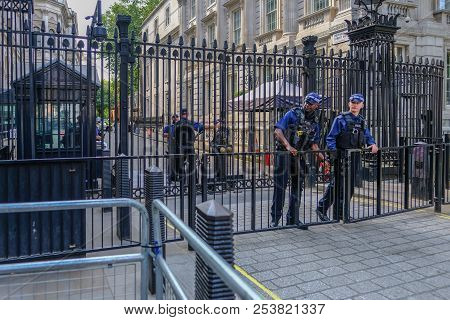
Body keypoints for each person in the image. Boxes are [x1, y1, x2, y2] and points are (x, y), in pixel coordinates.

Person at [316, 93, 379, 221]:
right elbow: (330, 137)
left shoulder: (361, 120)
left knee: (349, 186)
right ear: (349, 103)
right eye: (353, 102)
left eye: (357, 103)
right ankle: (321, 208)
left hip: (355, 155)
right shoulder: (340, 119)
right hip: (341, 155)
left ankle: (342, 213)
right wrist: (334, 153)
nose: (355, 105)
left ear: (362, 105)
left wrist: (372, 144)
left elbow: (367, 135)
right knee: (337, 184)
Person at [270, 92, 326, 228]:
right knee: (280, 187)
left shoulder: (315, 123)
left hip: (298, 156)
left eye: (311, 103)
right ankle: (275, 220)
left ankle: (293, 219)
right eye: (307, 101)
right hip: (283, 154)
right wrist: (288, 146)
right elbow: (278, 131)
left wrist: (323, 159)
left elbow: (313, 144)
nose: (307, 105)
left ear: (317, 105)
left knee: (297, 188)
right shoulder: (293, 113)